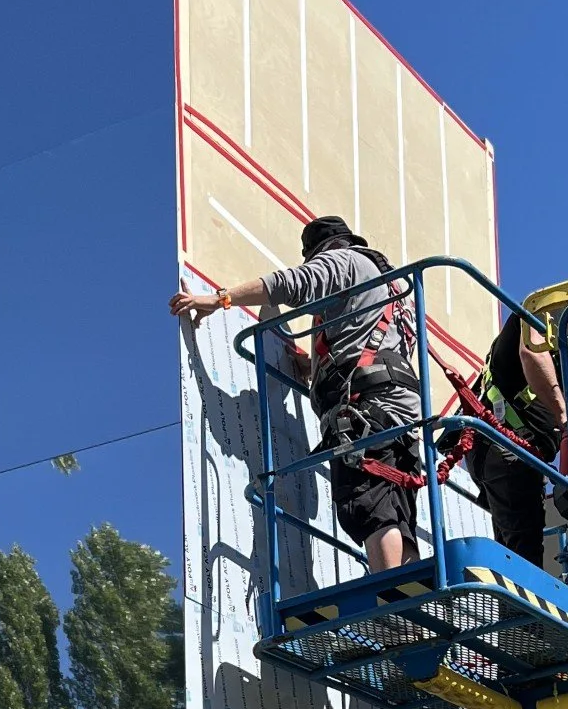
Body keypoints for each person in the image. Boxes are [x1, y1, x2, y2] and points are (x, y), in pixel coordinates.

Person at [171, 215, 423, 573]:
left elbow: (290, 284)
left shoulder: (340, 260)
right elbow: (369, 340)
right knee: (397, 513)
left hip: (366, 411)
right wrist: (315, 368)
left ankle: (394, 601)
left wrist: (219, 299)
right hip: (398, 409)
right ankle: (409, 615)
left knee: (372, 507)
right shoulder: (392, 286)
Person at [467, 283, 568, 566]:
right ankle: (519, 609)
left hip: (516, 454)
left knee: (513, 548)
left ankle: (512, 604)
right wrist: (564, 416)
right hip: (506, 446)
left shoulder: (559, 357)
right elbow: (531, 354)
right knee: (524, 551)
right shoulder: (538, 315)